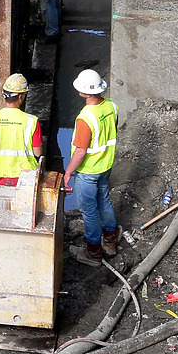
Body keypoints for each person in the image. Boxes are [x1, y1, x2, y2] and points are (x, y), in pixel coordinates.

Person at [64, 70, 121, 267]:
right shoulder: (111, 106)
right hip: (106, 165)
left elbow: (80, 152)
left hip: (88, 171)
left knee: (88, 211)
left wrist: (69, 171)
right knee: (104, 201)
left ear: (83, 92)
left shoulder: (85, 118)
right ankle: (110, 242)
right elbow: (111, 130)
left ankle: (94, 252)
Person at [0, 73, 43, 186]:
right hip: (25, 176)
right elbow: (37, 152)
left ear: (4, 95)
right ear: (21, 97)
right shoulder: (31, 121)